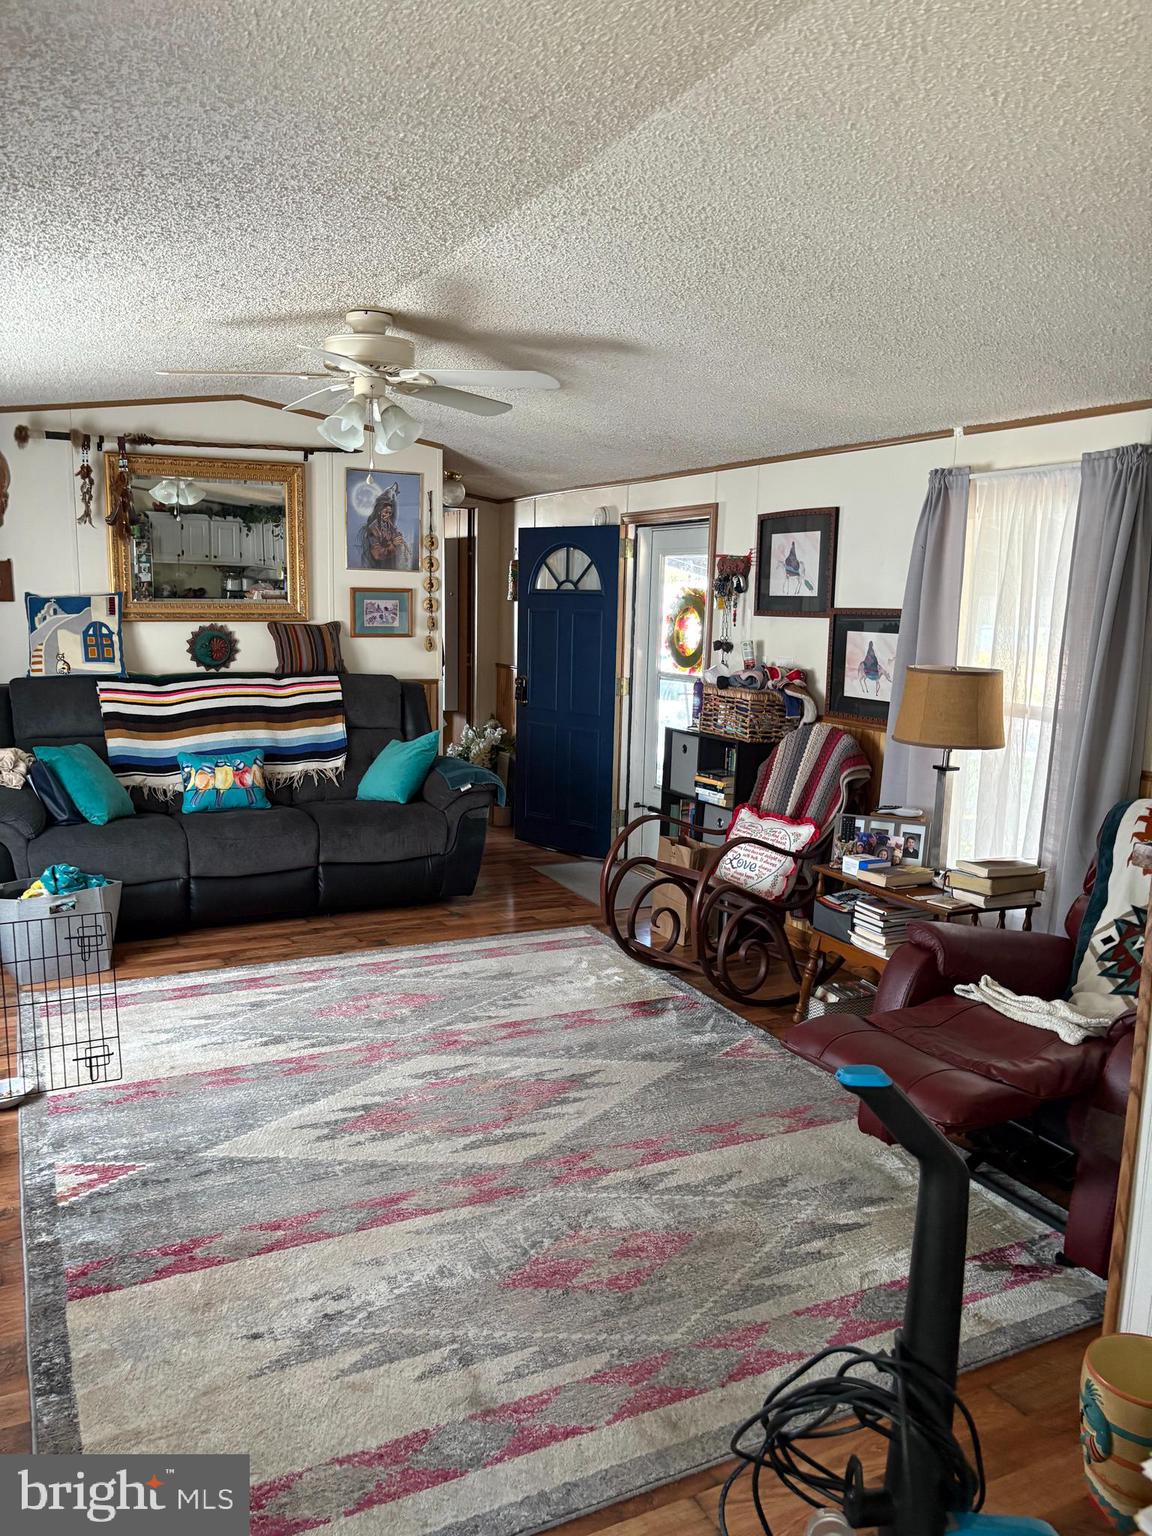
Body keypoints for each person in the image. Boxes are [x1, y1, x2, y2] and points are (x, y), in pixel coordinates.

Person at [361, 482, 412, 570]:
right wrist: (393, 544)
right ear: (379, 511)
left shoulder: (390, 525)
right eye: (385, 512)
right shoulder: (372, 529)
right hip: (377, 570)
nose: (388, 515)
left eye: (390, 513)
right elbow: (377, 554)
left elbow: (397, 537)